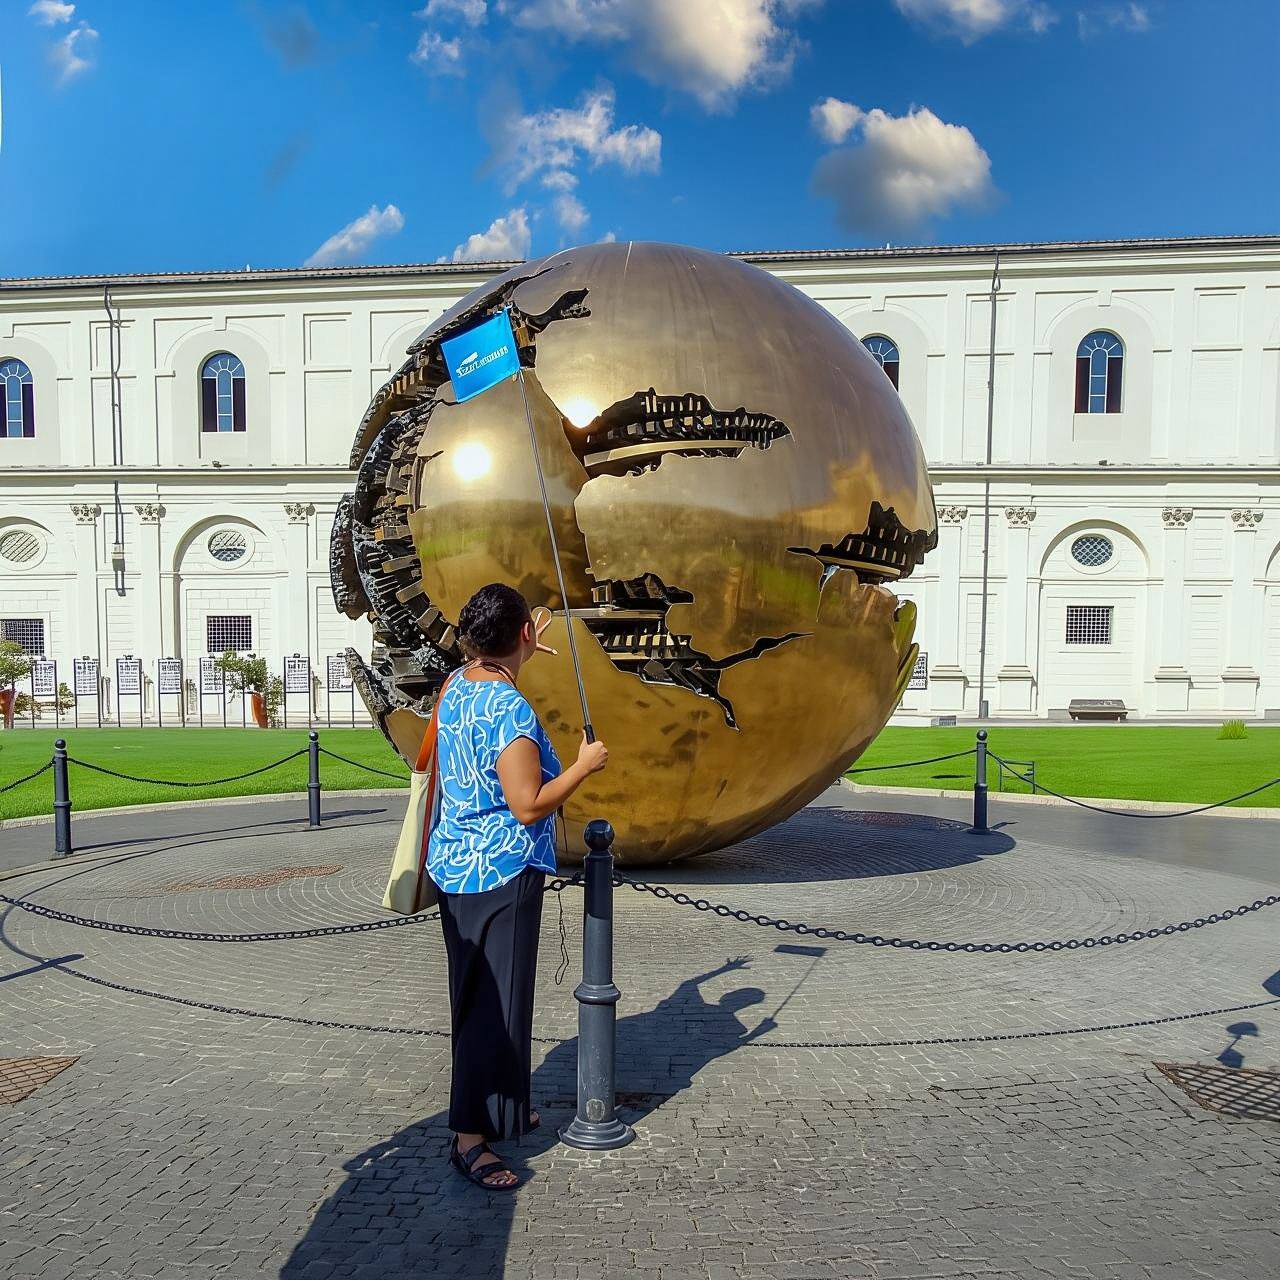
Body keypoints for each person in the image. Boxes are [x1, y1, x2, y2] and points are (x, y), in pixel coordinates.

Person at [428, 582, 608, 1191]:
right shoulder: (510, 709)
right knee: (494, 1007)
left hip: (456, 867)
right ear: (523, 635)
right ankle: (470, 1139)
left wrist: (526, 644)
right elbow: (528, 805)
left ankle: (501, 1106)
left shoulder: (457, 686)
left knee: (480, 998)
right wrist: (582, 767)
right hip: (500, 870)